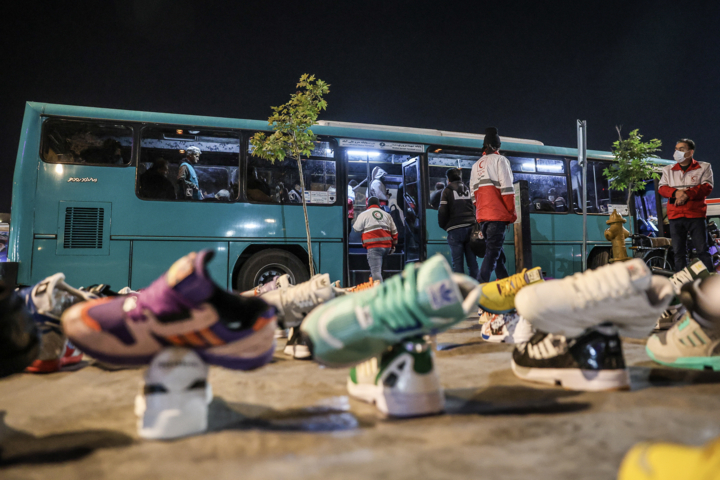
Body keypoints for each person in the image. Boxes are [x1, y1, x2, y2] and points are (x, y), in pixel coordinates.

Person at [659, 138, 714, 271]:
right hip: (675, 216)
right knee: (678, 252)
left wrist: (687, 194)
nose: (677, 152)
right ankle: (681, 282)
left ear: (690, 153)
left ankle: (710, 282)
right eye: (676, 149)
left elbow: (707, 187)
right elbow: (662, 188)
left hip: (695, 215)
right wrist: (676, 193)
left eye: (681, 149)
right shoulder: (668, 169)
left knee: (702, 250)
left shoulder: (704, 167)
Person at [470, 127, 517, 283]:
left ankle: (506, 287)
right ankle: (480, 287)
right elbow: (508, 190)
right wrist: (511, 214)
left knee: (497, 254)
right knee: (492, 253)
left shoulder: (476, 165)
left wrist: (481, 212)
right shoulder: (500, 161)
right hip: (497, 216)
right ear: (496, 146)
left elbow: (473, 195)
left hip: (483, 217)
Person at [438, 168, 479, 279]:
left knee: (457, 263)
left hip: (455, 230)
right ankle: (477, 288)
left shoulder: (447, 190)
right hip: (471, 229)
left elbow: (442, 211)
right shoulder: (468, 189)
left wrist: (444, 225)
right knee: (472, 262)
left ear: (448, 179)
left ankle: (462, 291)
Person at [353, 196, 398, 282]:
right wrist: (393, 246)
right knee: (381, 271)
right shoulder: (387, 215)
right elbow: (395, 232)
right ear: (379, 205)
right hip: (387, 247)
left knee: (376, 273)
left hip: (374, 247)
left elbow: (356, 229)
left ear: (368, 205)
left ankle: (379, 293)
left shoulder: (364, 214)